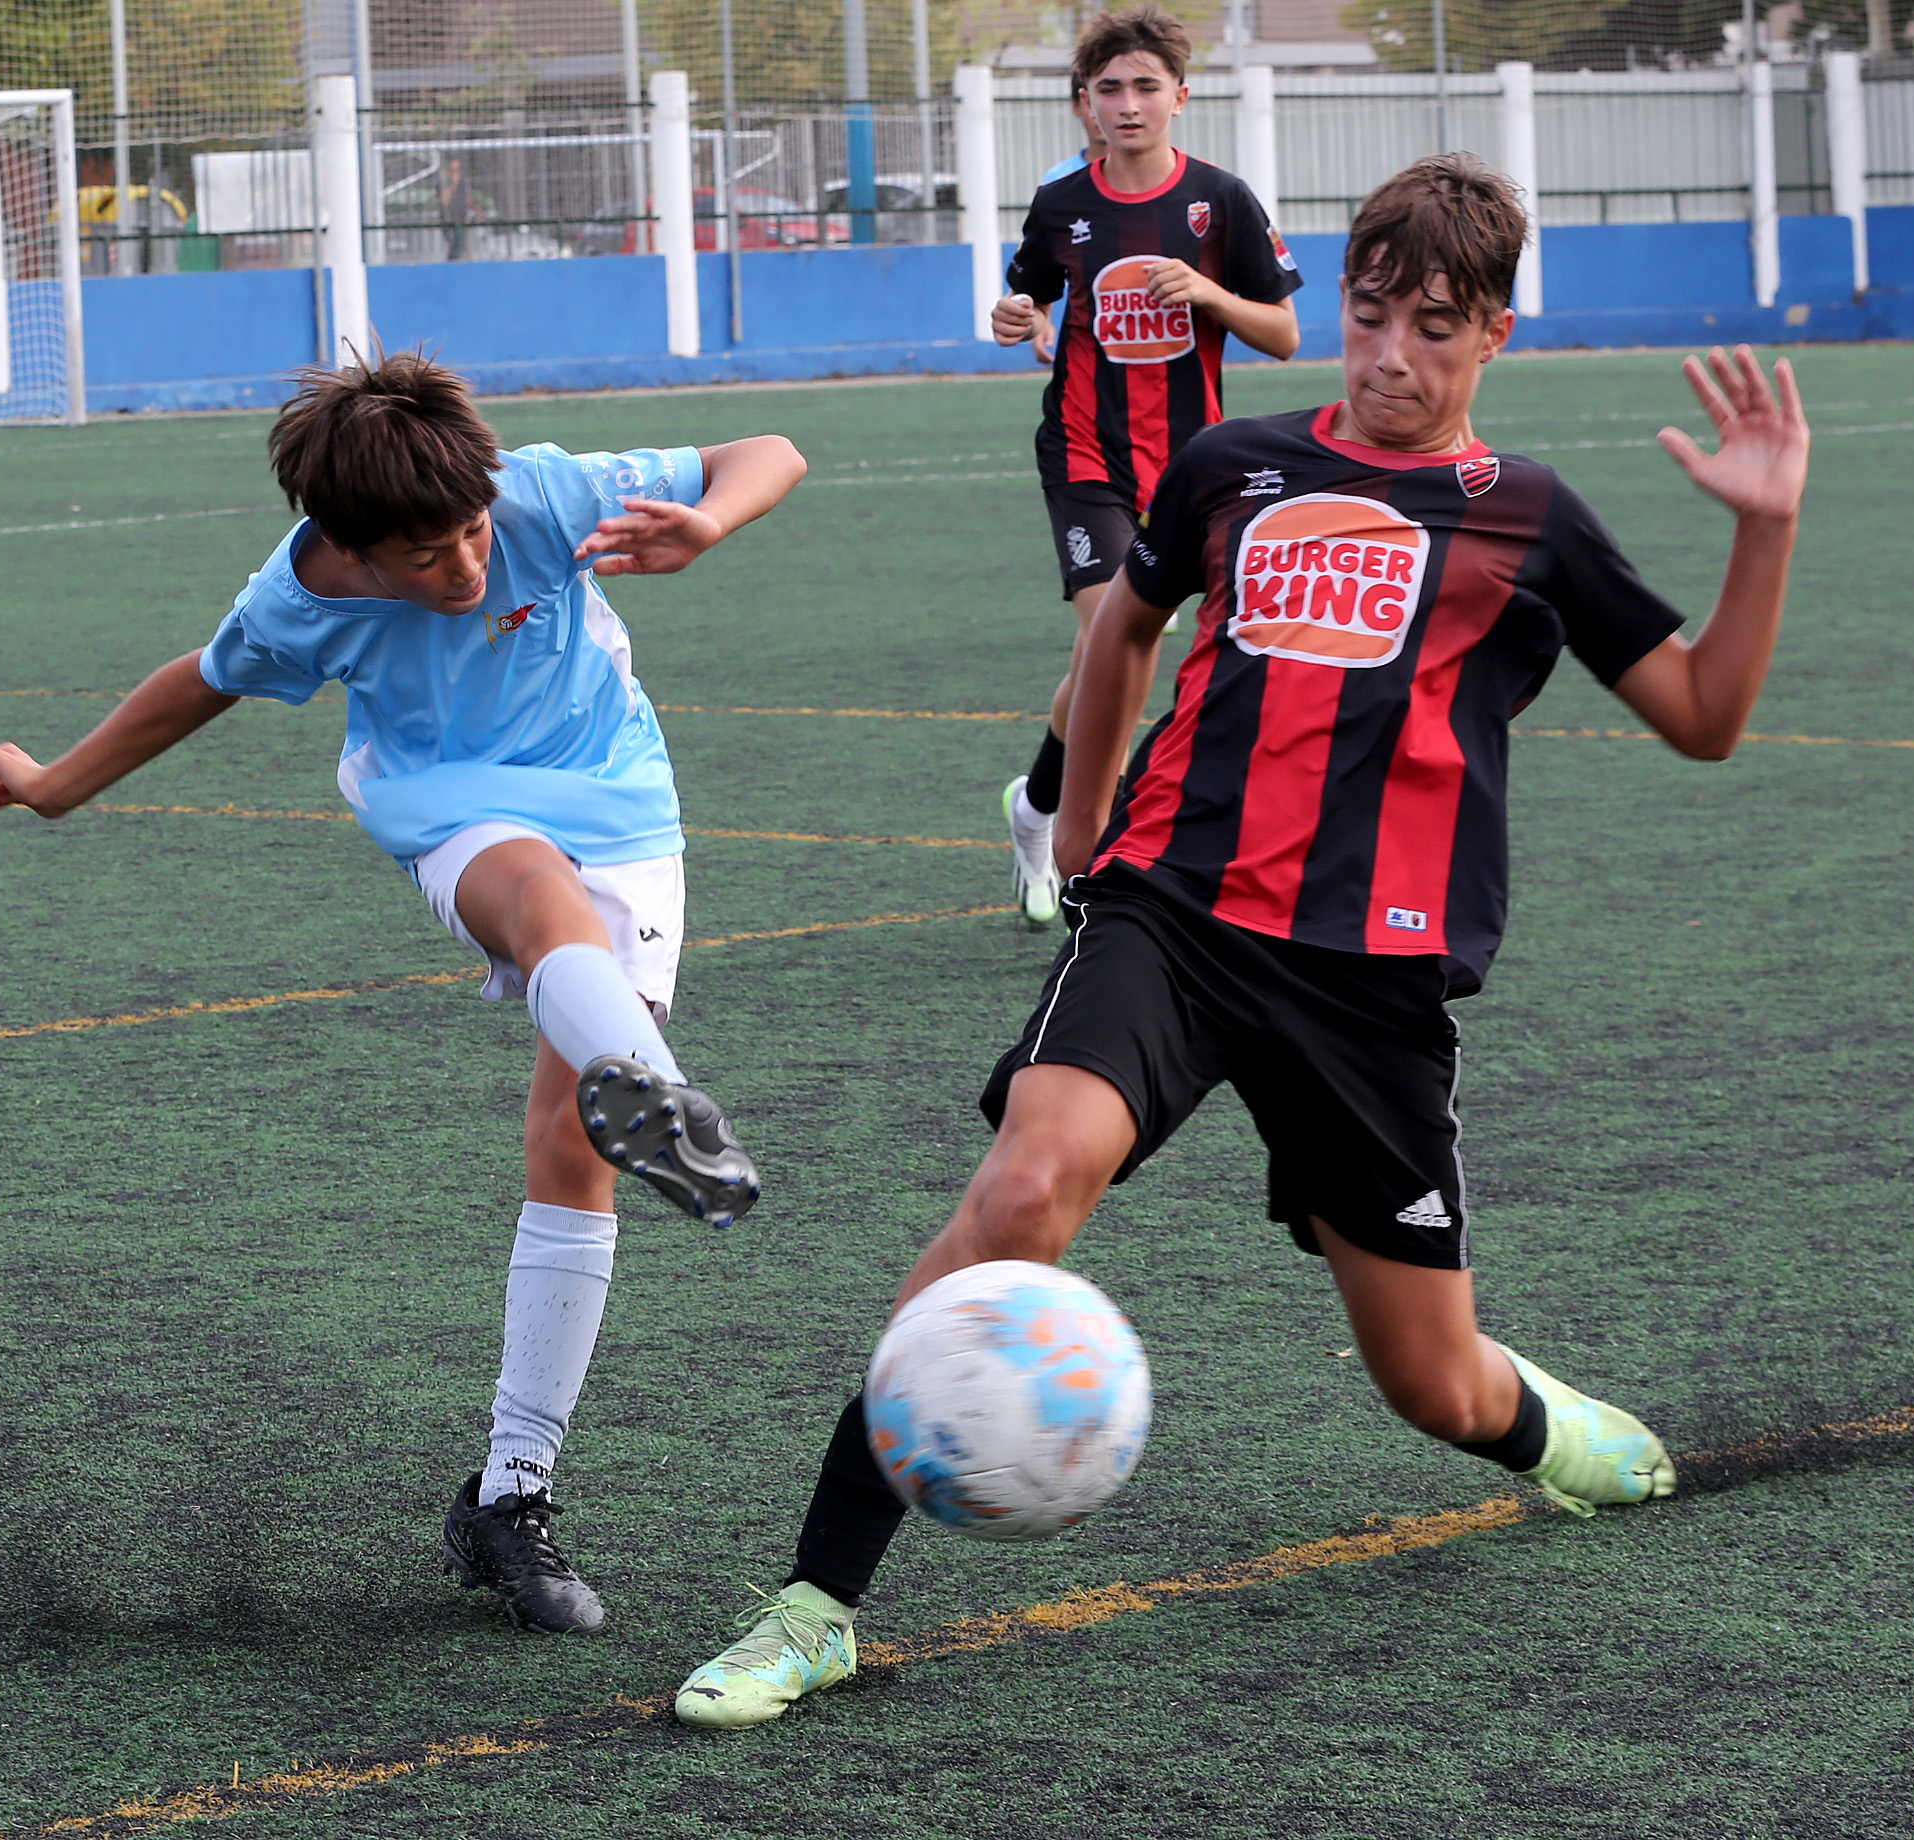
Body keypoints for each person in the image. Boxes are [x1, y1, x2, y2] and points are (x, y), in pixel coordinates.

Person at [672, 153, 1810, 1728]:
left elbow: (1704, 717)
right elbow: (1128, 618)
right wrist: (1082, 836)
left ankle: (1532, 1425)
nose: (1390, 355)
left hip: (1370, 986)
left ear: (1493, 339)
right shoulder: (1235, 464)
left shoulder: (1531, 518)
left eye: (1433, 327)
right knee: (1018, 1189)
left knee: (1435, 1384)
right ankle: (812, 1605)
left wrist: (1762, 536)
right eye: (1368, 315)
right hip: (1177, 919)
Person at [0, 351, 808, 1637]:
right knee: (536, 902)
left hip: (620, 798)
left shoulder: (541, 493)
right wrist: (54, 782)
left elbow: (770, 452)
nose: (464, 568)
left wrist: (710, 524)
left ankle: (509, 1485)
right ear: (346, 547)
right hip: (444, 798)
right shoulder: (299, 594)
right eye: (423, 555)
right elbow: (204, 678)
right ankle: (656, 1101)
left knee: (574, 1142)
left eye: (473, 534)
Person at [994, 4, 1303, 929]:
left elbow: (1284, 334)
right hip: (1085, 454)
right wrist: (1016, 318)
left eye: (1144, 87)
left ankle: (1038, 806)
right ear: (1084, 105)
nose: (1128, 104)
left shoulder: (1221, 201)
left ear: (1180, 96)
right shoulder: (1064, 206)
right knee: (1115, 639)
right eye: (1108, 90)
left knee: (1117, 652)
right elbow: (1027, 300)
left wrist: (1210, 291)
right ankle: (1094, 847)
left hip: (1191, 466)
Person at [1030, 73, 1111, 365]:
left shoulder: (1172, 181)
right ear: (1078, 105)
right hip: (1083, 335)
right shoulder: (1058, 182)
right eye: (1100, 96)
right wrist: (1042, 317)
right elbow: (1046, 260)